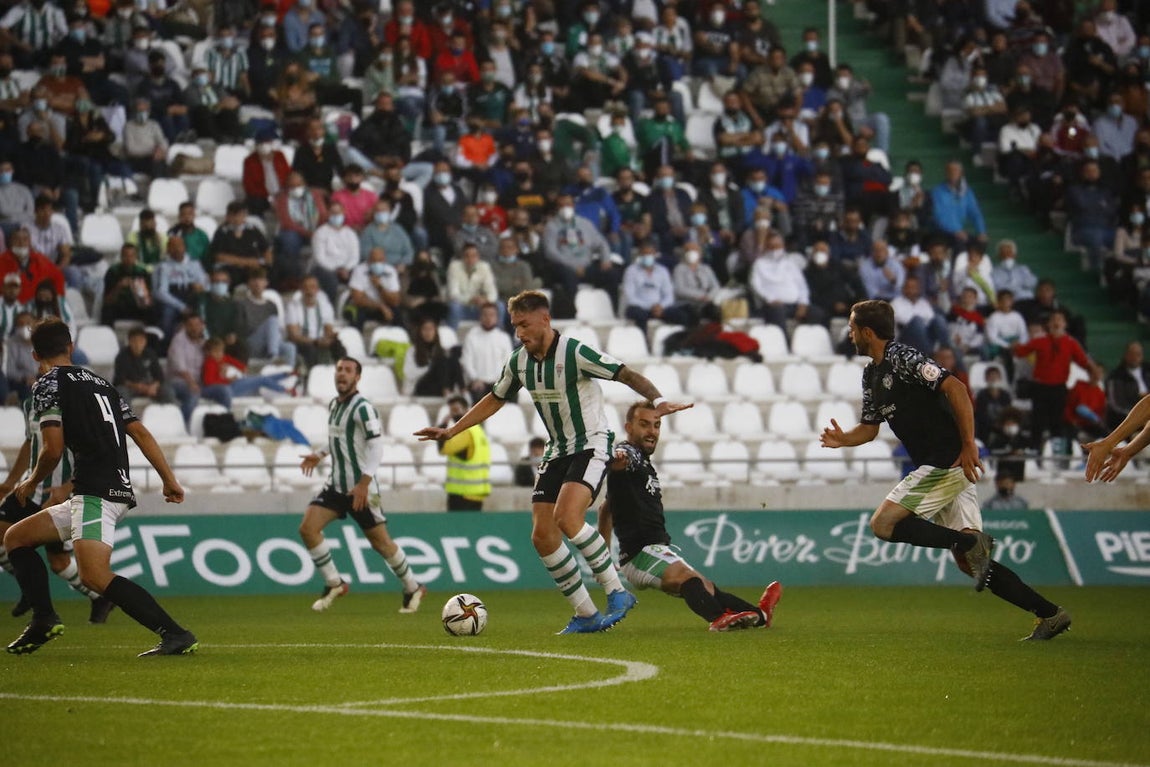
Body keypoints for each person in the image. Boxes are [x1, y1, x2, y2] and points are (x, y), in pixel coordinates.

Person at [416, 290, 690, 634]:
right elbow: (495, 397)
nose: (519, 333)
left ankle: (617, 593)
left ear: (545, 319)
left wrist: (658, 399)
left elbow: (624, 374)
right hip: (558, 449)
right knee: (542, 535)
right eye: (515, 326)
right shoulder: (519, 361)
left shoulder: (575, 353)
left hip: (591, 444)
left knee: (567, 517)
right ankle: (587, 614)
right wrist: (452, 429)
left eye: (524, 325)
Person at [819, 300, 1071, 641]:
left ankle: (968, 541)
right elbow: (870, 427)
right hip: (945, 465)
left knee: (882, 524)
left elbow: (957, 388)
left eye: (851, 328)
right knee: (972, 564)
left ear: (867, 332)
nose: (848, 334)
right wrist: (843, 440)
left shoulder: (903, 358)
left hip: (948, 460)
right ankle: (1050, 614)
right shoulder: (871, 374)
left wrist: (969, 444)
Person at [3, 319, 197, 656]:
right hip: (104, 489)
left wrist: (31, 481)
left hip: (96, 491)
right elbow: (141, 433)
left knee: (94, 575)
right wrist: (169, 479)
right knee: (15, 538)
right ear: (71, 347)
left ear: (35, 355)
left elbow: (51, 447)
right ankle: (44, 619)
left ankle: (176, 634)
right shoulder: (101, 383)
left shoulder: (47, 384)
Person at [599, 400, 783, 632]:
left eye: (656, 425)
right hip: (639, 554)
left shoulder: (643, 464)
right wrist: (615, 458)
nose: (652, 431)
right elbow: (620, 459)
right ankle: (718, 619)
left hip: (654, 549)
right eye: (644, 424)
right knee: (689, 580)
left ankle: (760, 615)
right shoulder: (629, 454)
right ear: (629, 427)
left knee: (706, 587)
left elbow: (605, 509)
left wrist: (603, 557)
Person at [297, 357, 427, 613]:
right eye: (339, 370)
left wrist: (364, 484)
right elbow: (338, 439)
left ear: (357, 377)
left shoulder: (363, 407)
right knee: (308, 529)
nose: (341, 374)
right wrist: (320, 454)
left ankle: (412, 586)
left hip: (361, 489)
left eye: (348, 370)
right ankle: (335, 582)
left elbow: (376, 446)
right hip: (336, 486)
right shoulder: (335, 404)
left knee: (381, 543)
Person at [0, 396, 115, 624]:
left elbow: (92, 451)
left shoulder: (73, 402)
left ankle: (100, 598)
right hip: (30, 488)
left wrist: (68, 486)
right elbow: (29, 441)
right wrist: (10, 482)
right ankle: (30, 590)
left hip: (63, 493)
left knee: (59, 562)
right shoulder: (29, 403)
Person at [436, 394, 491, 512]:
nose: (453, 415)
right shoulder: (478, 431)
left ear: (467, 410)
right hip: (477, 492)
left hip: (463, 494)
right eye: (451, 411)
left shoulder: (465, 431)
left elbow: (444, 449)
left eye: (456, 410)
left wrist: (442, 426)